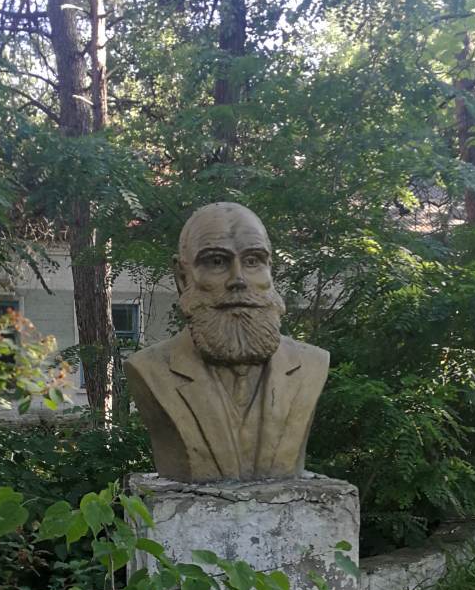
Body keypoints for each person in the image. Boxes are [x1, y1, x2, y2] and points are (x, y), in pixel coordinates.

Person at [124, 202, 329, 481]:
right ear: (183, 277)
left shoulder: (312, 364)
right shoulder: (150, 369)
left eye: (253, 261)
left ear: (271, 272)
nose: (238, 280)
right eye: (217, 262)